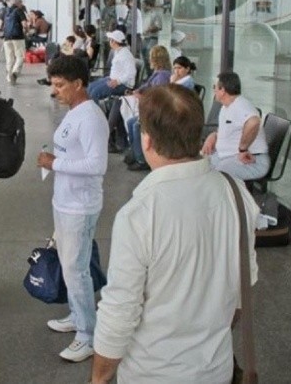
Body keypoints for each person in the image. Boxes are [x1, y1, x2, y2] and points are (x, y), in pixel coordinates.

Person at [91, 84, 259, 383]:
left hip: (152, 373)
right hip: (216, 370)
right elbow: (242, 288)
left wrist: (99, 378)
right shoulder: (237, 194)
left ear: (148, 141)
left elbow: (119, 313)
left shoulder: (139, 214)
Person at [37, 55, 109, 363]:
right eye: (53, 84)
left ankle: (87, 335)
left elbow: (97, 165)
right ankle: (78, 315)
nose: (54, 91)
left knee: (76, 270)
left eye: (60, 85)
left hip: (80, 206)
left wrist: (55, 163)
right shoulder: (74, 111)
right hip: (65, 201)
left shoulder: (91, 117)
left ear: (78, 84)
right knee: (70, 266)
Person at [201, 71, 269, 180]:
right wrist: (213, 136)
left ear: (222, 90)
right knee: (199, 166)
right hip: (225, 156)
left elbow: (254, 122)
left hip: (252, 161)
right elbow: (228, 130)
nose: (214, 90)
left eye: (215, 87)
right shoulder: (226, 107)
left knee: (217, 177)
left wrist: (243, 149)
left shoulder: (241, 105)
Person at [87, 30, 137, 102]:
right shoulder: (117, 51)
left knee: (95, 93)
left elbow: (132, 72)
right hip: (112, 79)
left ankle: (95, 112)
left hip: (123, 85)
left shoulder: (126, 55)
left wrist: (118, 81)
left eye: (110, 40)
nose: (109, 42)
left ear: (114, 42)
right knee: (90, 87)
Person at [3, 0, 27, 85]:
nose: (22, 4)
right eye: (21, 2)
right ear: (18, 3)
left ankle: (9, 77)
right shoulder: (19, 11)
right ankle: (15, 73)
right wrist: (26, 30)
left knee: (9, 58)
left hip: (7, 38)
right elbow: (24, 24)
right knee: (20, 56)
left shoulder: (6, 11)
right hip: (18, 37)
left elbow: (2, 24)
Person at [140, 0, 162, 76]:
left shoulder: (154, 14)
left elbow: (158, 26)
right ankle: (148, 74)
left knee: (150, 55)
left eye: (144, 5)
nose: (142, 7)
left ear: (149, 5)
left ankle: (153, 74)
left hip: (152, 38)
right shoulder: (145, 14)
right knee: (144, 55)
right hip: (145, 38)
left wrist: (150, 29)